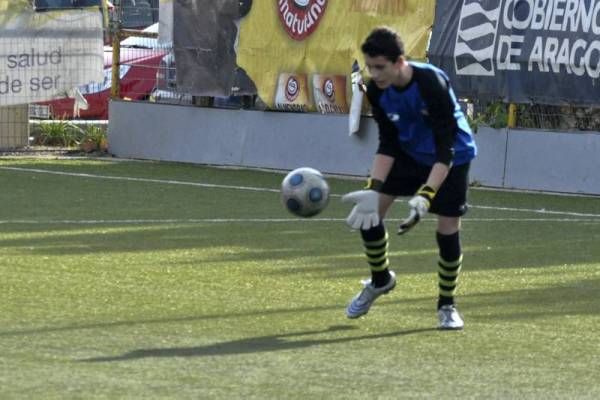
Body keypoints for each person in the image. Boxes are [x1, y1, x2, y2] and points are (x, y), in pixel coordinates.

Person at [341, 27, 477, 330]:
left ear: (399, 61)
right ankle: (380, 280)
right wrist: (371, 189)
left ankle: (446, 305)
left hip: (453, 157)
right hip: (408, 151)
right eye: (370, 66)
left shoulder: (431, 83)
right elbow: (387, 143)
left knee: (447, 227)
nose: (374, 74)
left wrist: (426, 195)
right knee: (370, 213)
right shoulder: (376, 89)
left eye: (380, 67)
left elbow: (447, 148)